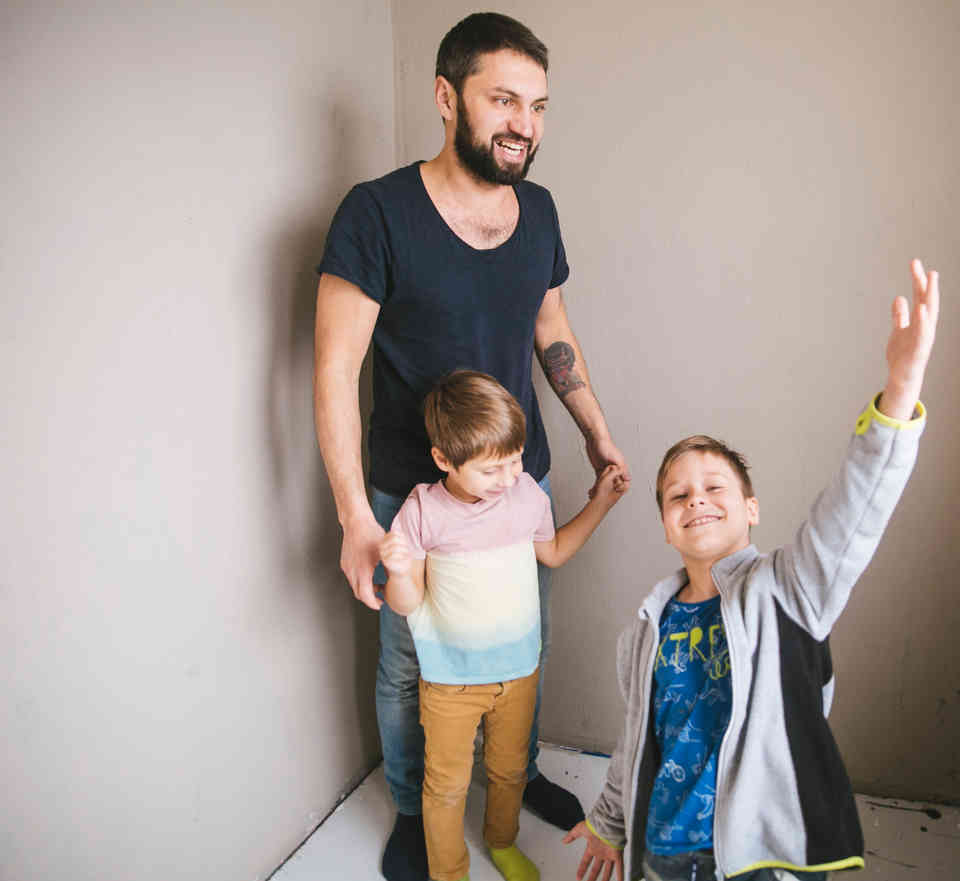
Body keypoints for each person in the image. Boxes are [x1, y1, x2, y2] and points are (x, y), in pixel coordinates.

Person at [313, 12, 630, 881]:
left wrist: (596, 432)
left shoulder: (540, 210)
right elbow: (335, 371)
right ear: (447, 98)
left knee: (521, 640)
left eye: (538, 105)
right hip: (410, 494)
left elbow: (551, 328)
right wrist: (353, 516)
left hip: (518, 483)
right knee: (408, 664)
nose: (524, 123)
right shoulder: (376, 214)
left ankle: (513, 776)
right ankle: (412, 808)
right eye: (503, 100)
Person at [562, 259, 940, 881]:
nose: (697, 500)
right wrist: (608, 822)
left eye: (715, 487)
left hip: (760, 856)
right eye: (678, 495)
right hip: (665, 851)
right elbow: (636, 740)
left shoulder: (789, 590)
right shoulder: (645, 629)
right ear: (665, 524)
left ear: (751, 509)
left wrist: (900, 390)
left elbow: (856, 507)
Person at [380, 371, 628, 881]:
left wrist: (600, 503)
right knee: (446, 785)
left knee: (510, 770)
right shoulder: (423, 511)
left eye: (515, 460)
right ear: (444, 460)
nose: (509, 477)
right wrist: (399, 571)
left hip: (517, 673)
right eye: (492, 469)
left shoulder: (526, 496)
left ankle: (502, 842)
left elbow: (553, 552)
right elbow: (407, 603)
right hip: (450, 682)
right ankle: (449, 871)